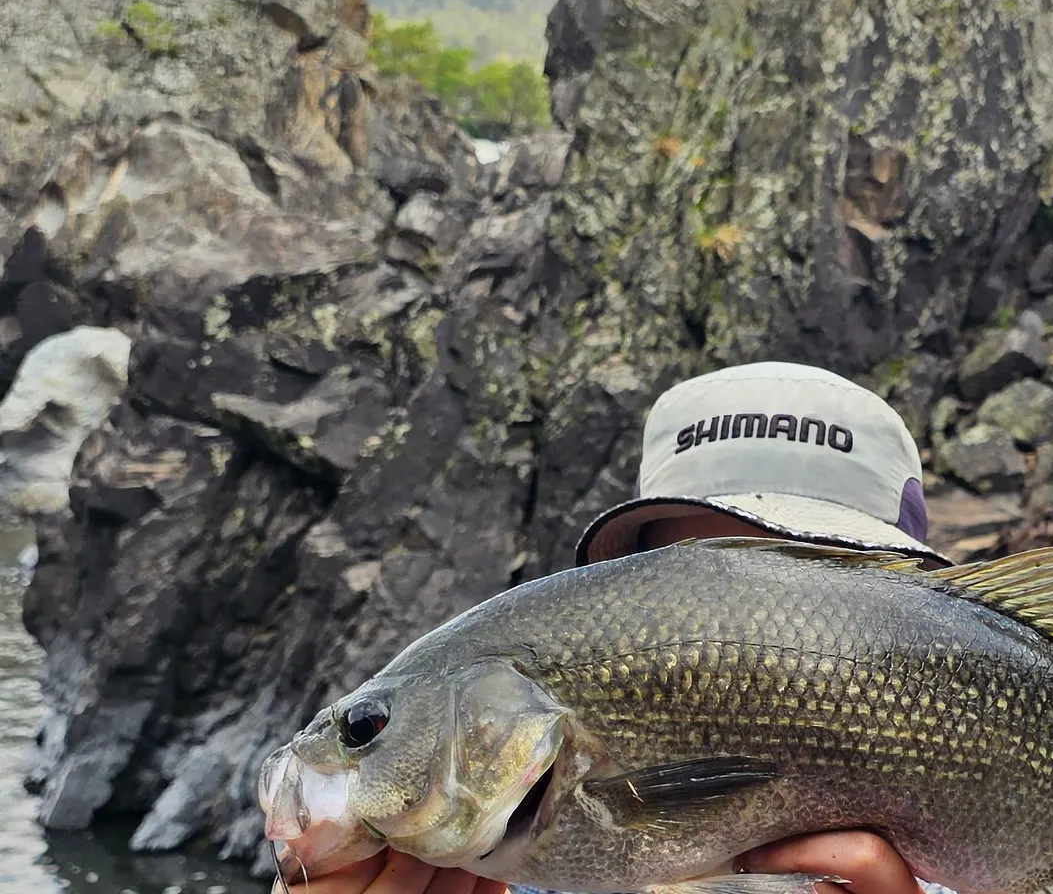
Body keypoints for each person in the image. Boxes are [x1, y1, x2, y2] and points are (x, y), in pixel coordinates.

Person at [284, 361, 942, 894]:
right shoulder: (523, 871)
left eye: (820, 609)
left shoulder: (1017, 868)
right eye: (696, 601)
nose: (752, 660)